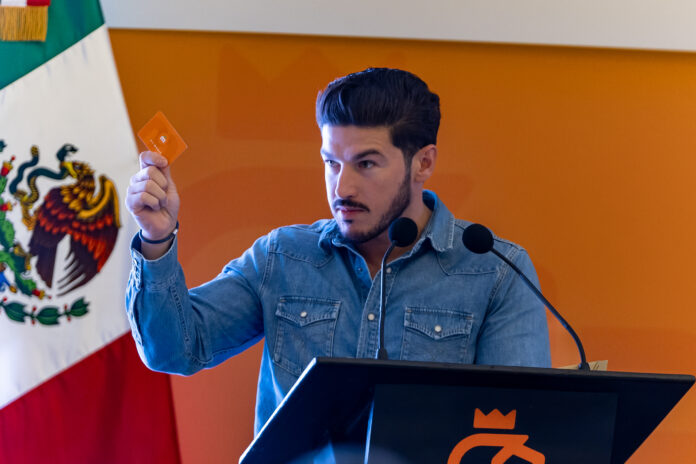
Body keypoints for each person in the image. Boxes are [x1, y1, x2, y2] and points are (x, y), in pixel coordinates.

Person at [124, 68, 550, 434]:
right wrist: (156, 238)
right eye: (331, 163)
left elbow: (518, 429)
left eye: (366, 164)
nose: (342, 188)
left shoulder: (496, 272)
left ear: (423, 163)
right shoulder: (282, 258)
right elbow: (174, 350)